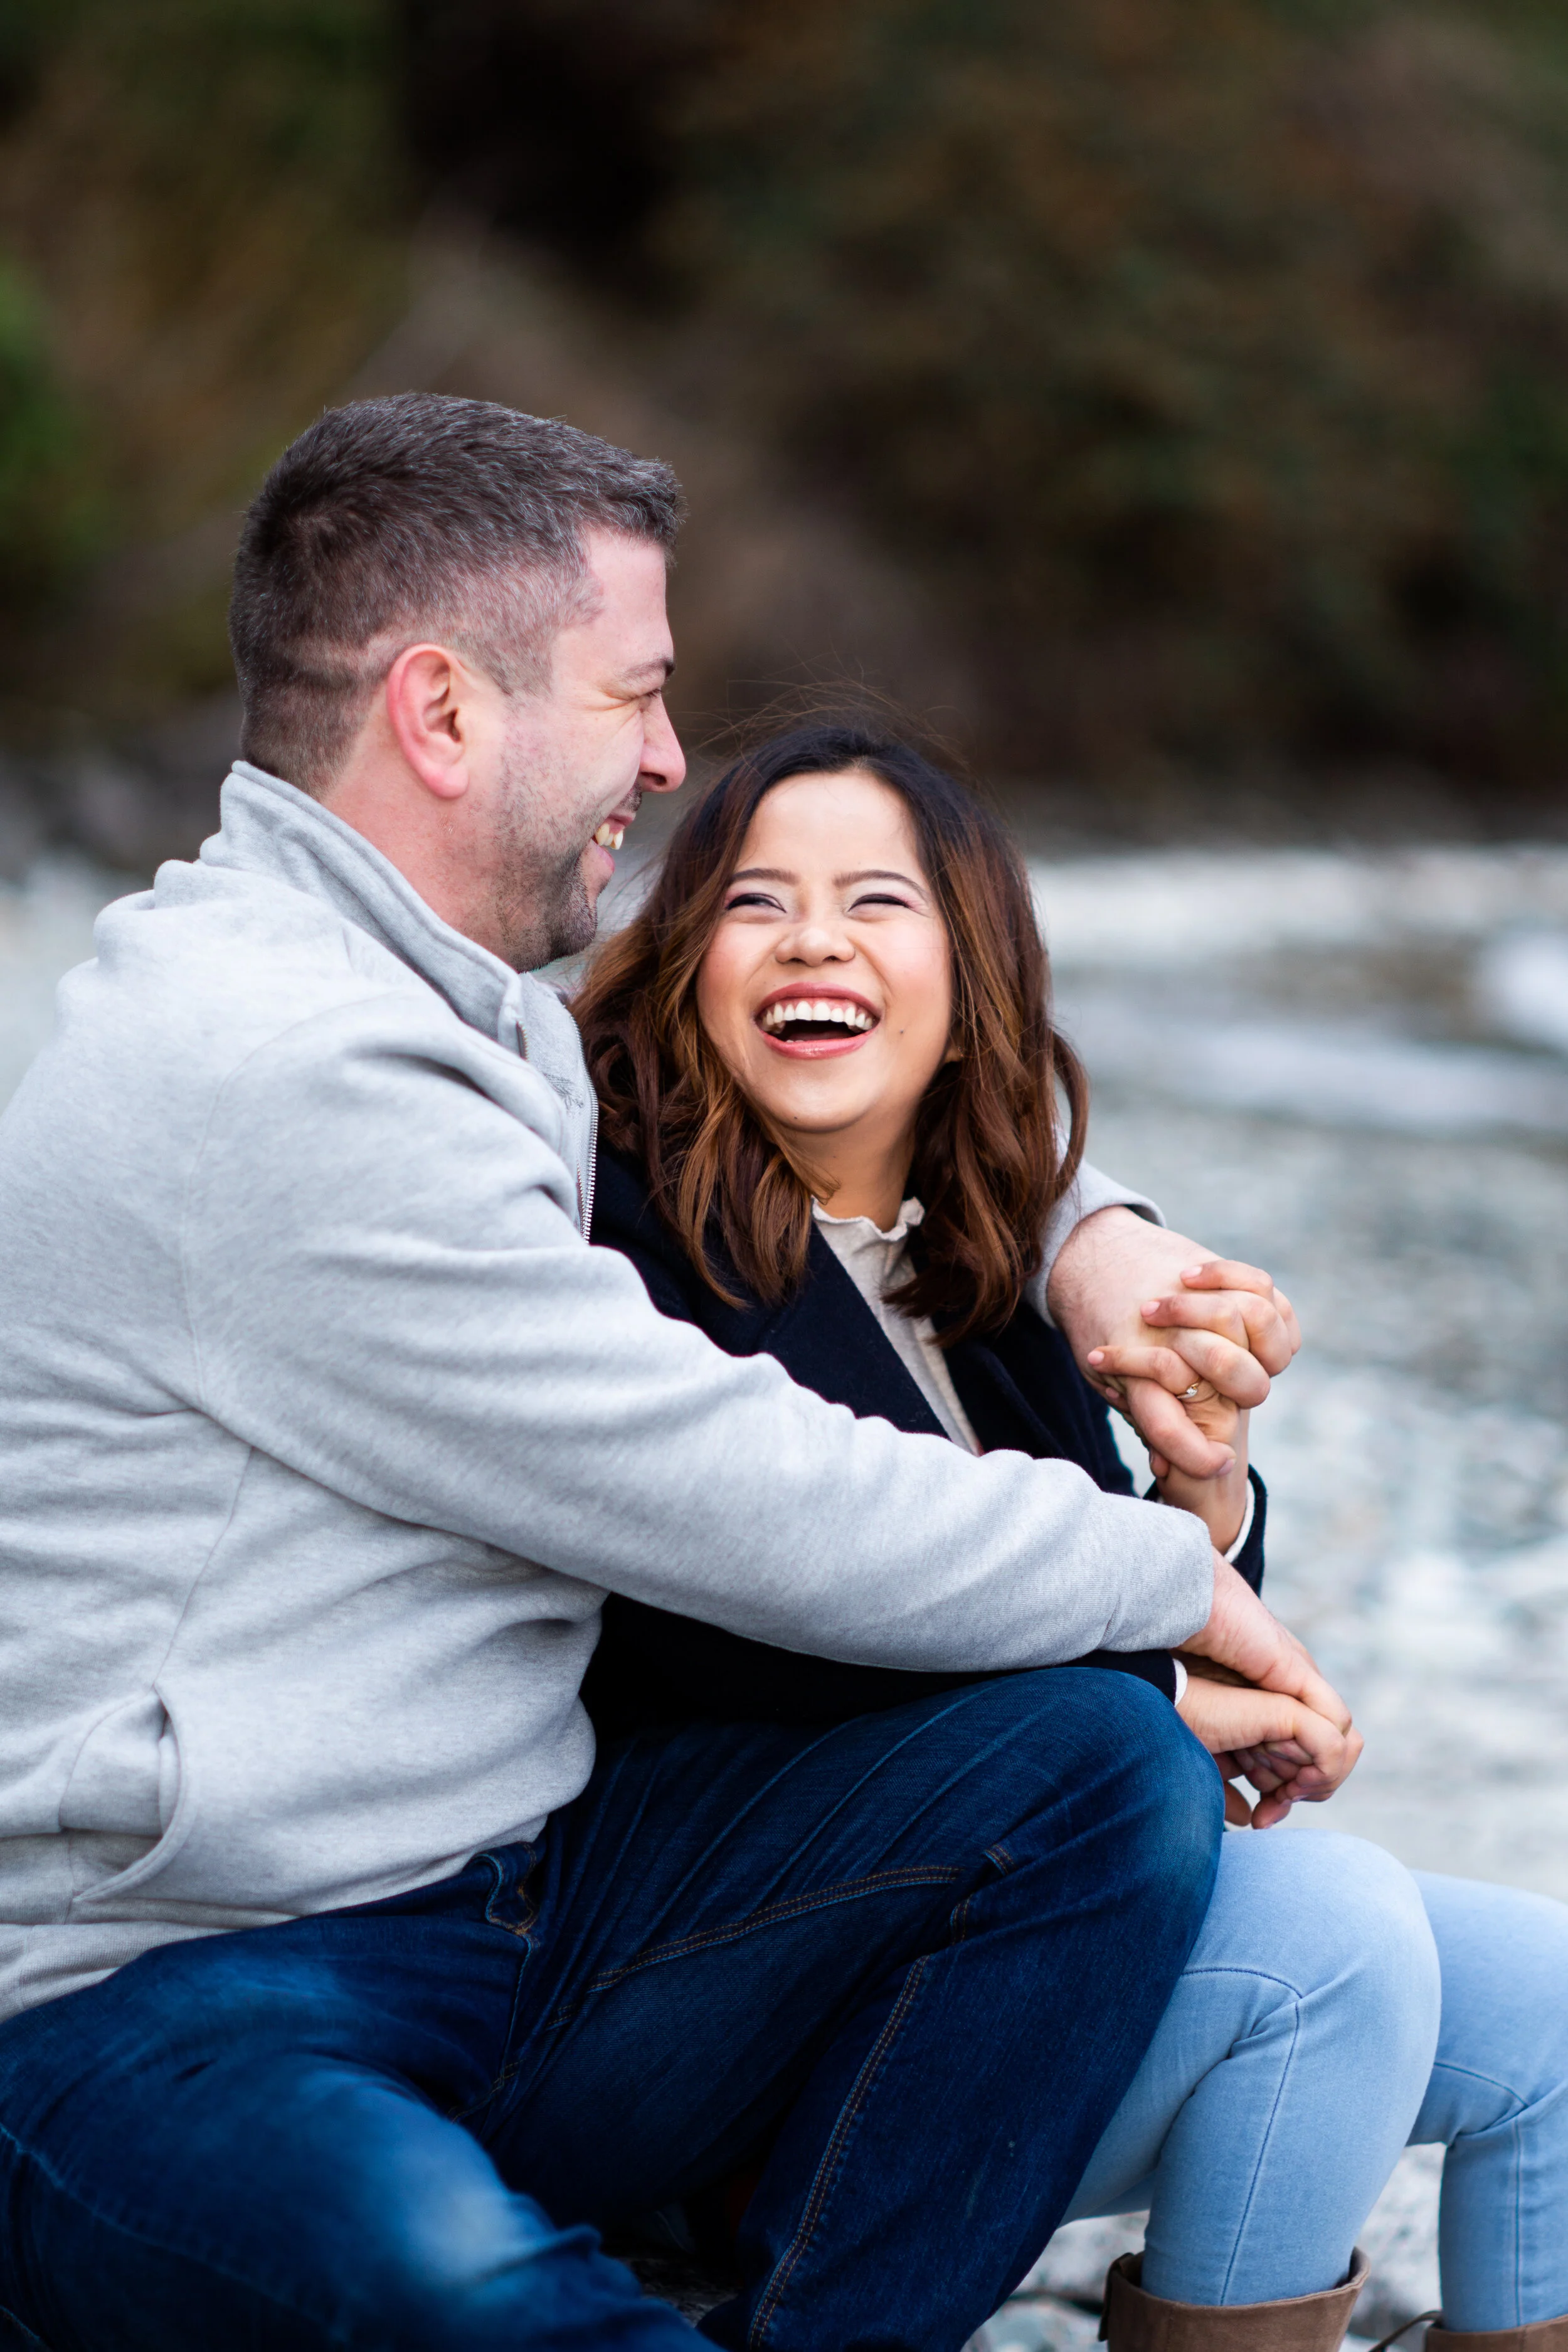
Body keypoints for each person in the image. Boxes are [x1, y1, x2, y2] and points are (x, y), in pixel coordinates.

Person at [0, 395, 1339, 2352]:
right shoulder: (267, 1062)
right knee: (461, 2291)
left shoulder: (454, 1001)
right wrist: (1172, 1574)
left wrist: (1088, 1233)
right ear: (445, 715)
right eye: (634, 696)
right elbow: (719, 1476)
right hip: (168, 1984)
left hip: (513, 1920)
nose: (660, 757)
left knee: (1082, 1768)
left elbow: (838, 1110)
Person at [574, 722, 1568, 2352]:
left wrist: (1206, 1484)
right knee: (1330, 1943)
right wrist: (1169, 1707)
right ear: (685, 969)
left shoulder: (982, 1274)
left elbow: (1143, 1610)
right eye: (756, 903)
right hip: (720, 1997)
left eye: (875, 900)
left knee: (1537, 2001)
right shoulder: (629, 1242)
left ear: (972, 984)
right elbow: (737, 1633)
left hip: (1008, 1944)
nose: (813, 936)